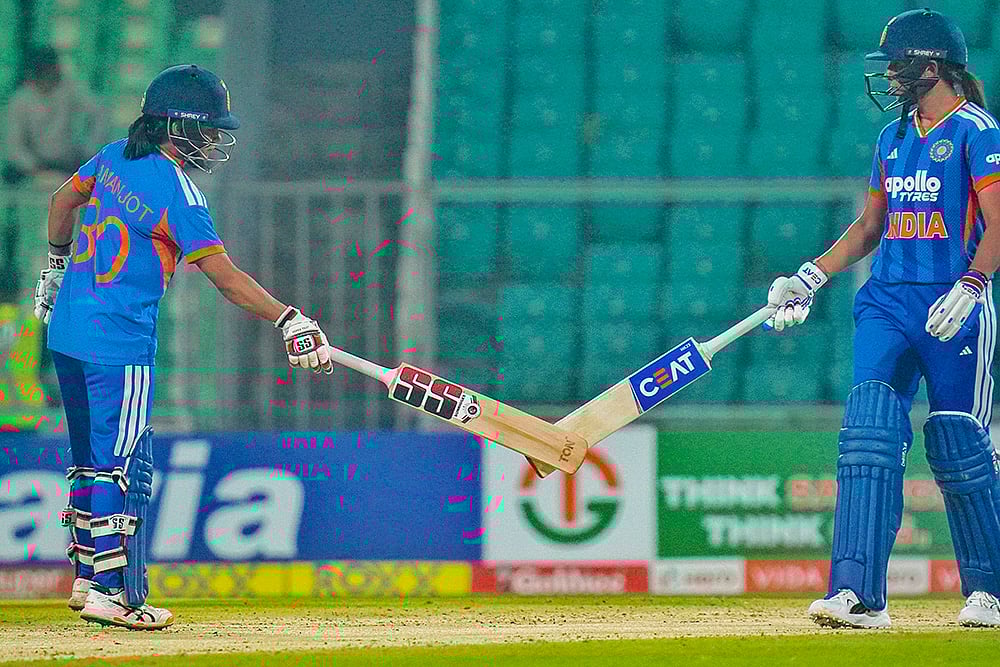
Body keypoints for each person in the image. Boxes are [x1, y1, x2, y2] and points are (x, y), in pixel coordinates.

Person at [31, 64, 335, 630]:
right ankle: (110, 592)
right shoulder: (181, 194)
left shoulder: (112, 156)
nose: (215, 140)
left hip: (66, 333)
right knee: (119, 465)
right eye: (209, 128)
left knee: (88, 461)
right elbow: (225, 278)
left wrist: (54, 265)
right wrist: (288, 318)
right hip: (119, 342)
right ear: (178, 126)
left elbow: (59, 203)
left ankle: (86, 577)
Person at [765, 9, 1000, 629]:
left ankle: (990, 591)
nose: (889, 77)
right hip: (887, 302)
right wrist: (810, 275)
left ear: (932, 66)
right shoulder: (892, 138)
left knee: (958, 442)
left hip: (954, 305)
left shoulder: (978, 132)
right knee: (868, 433)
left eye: (897, 65)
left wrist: (974, 283)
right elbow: (872, 227)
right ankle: (859, 595)